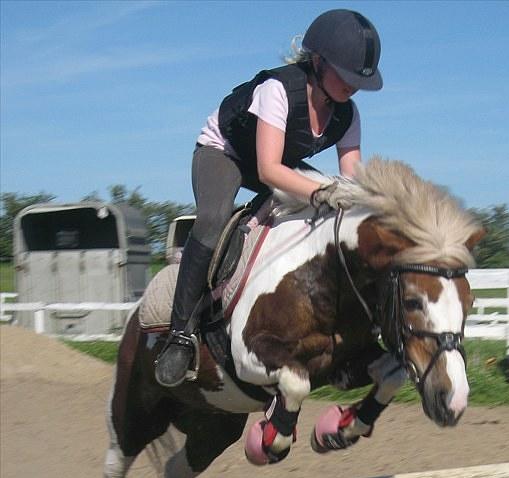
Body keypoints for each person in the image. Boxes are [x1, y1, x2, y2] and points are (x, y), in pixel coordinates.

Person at [155, 8, 384, 387]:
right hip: (224, 153)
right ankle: (180, 335)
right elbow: (268, 172)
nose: (352, 87)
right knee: (212, 223)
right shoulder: (278, 90)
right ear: (317, 61)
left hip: (276, 160)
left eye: (358, 80)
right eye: (345, 76)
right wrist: (324, 191)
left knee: (329, 220)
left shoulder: (348, 114)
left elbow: (352, 178)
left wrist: (375, 205)